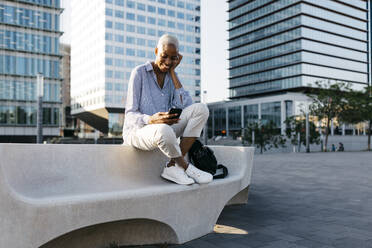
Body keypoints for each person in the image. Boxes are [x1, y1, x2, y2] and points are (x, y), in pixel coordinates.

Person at [122, 34, 212, 185]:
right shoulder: (139, 73)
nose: (168, 62)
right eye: (164, 56)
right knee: (163, 129)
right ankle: (184, 165)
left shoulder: (172, 76)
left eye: (173, 58)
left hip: (165, 131)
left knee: (201, 109)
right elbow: (130, 114)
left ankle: (173, 166)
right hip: (139, 131)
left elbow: (186, 106)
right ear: (156, 51)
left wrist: (173, 73)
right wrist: (150, 119)